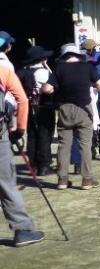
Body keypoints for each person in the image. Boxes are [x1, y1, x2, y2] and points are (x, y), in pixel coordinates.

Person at [41, 44, 100, 190]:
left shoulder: (59, 69)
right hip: (84, 109)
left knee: (64, 145)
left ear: (63, 56)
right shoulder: (88, 67)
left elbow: (48, 89)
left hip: (65, 109)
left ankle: (62, 180)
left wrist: (45, 87)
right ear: (78, 55)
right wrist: (89, 86)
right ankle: (87, 180)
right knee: (85, 146)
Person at [0, 60, 45, 246]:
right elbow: (23, 100)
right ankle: (22, 230)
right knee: (6, 184)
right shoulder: (3, 71)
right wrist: (20, 129)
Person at [16, 46, 56, 175]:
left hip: (28, 106)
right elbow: (51, 85)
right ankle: (44, 165)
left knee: (32, 135)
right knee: (45, 135)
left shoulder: (22, 72)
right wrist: (48, 67)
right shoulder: (43, 72)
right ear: (42, 59)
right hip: (44, 106)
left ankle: (32, 164)